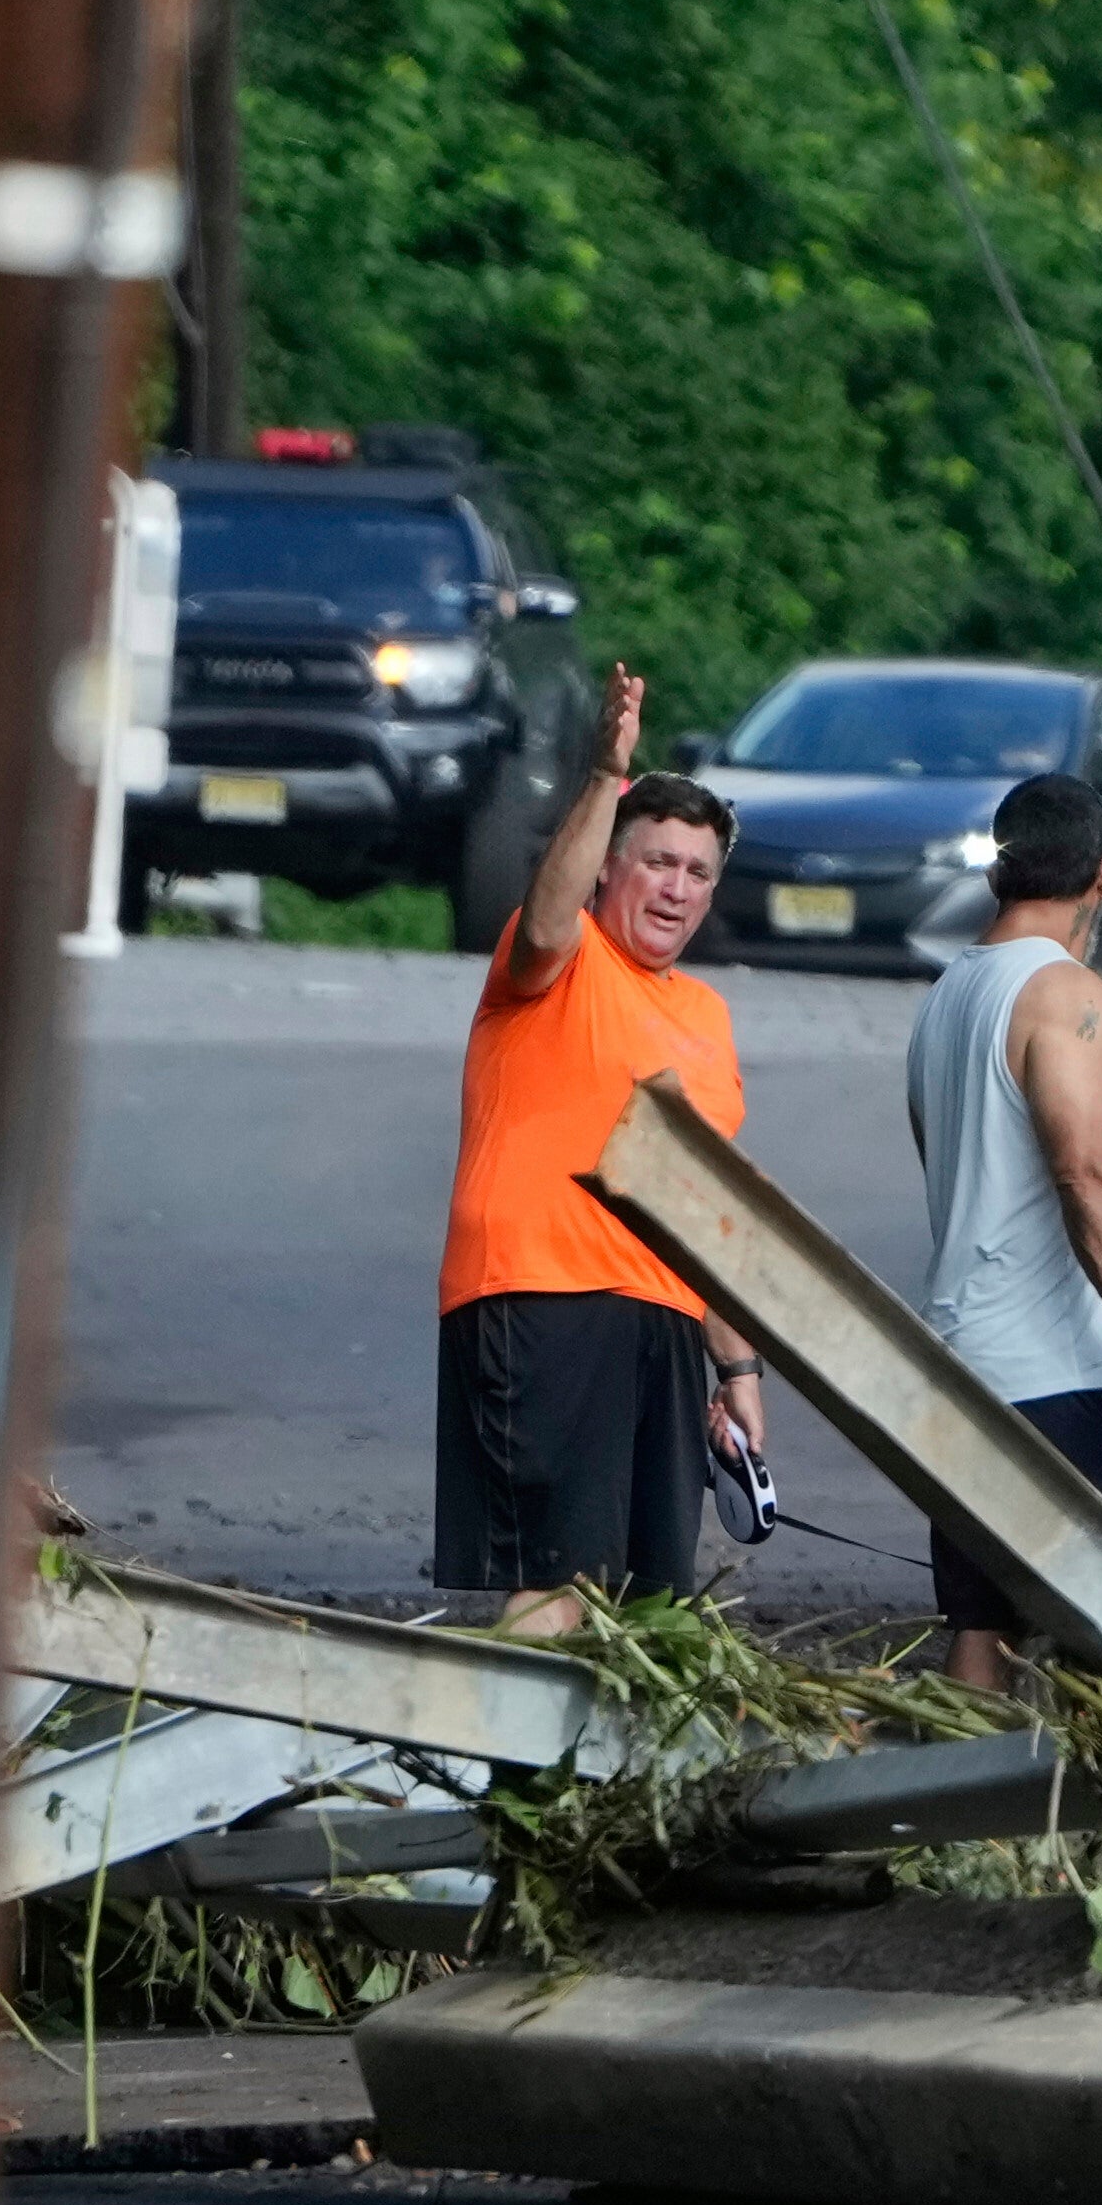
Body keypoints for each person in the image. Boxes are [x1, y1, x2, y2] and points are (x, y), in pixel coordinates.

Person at [430, 666, 759, 1621]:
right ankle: (513, 1771)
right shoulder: (560, 957)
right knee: (562, 1577)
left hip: (661, 1320)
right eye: (657, 860)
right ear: (610, 865)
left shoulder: (706, 1014)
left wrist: (734, 1369)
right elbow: (542, 917)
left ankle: (588, 1775)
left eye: (698, 872)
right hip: (545, 1295)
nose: (677, 887)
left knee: (652, 1604)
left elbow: (712, 1209)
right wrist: (606, 774)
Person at [897, 774, 1102, 1682]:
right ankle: (1076, 1824)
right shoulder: (1063, 992)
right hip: (1053, 1380)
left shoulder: (950, 995)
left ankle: (968, 1820)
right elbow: (1085, 1174)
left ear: (999, 872)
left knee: (981, 1628)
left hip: (960, 1362)